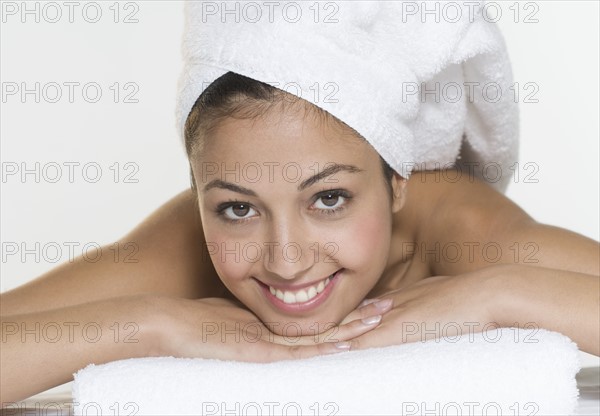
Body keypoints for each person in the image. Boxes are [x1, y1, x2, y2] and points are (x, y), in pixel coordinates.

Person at [2, 5, 599, 407]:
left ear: (398, 181)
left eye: (330, 198)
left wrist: (501, 293)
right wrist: (154, 323)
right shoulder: (186, 240)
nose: (286, 260)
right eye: (238, 209)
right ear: (197, 190)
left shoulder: (469, 234)